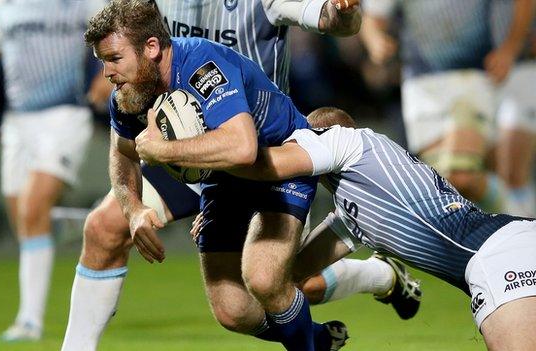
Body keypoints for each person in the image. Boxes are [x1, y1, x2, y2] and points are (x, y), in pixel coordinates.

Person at [61, 0, 421, 349]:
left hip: (272, 155)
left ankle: (374, 269)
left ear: (152, 47)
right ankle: (314, 337)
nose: (108, 73)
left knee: (278, 280)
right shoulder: (132, 87)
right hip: (211, 165)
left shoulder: (206, 60)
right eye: (104, 62)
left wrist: (341, 12)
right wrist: (134, 208)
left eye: (113, 60)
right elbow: (124, 152)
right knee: (232, 309)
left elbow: (243, 147)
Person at [193, 107, 536, 350]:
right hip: (510, 245)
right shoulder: (354, 212)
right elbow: (290, 275)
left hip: (495, 257)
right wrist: (224, 221)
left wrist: (215, 171)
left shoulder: (346, 141)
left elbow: (271, 166)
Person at [0, 0, 111, 341]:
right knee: (24, 221)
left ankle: (29, 321)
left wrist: (106, 72)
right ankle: (76, 223)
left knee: (32, 209)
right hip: (15, 122)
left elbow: (118, 29)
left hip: (64, 115)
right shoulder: (1, 3)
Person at [359, 0, 535, 214]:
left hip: (473, 79)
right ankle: (512, 217)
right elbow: (372, 18)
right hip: (421, 88)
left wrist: (510, 49)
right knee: (444, 183)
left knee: (463, 176)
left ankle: (521, 221)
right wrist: (375, 41)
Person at [490, 1, 536, 217]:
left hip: (524, 69)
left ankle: (525, 239)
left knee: (512, 171)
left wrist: (510, 49)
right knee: (497, 172)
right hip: (487, 73)